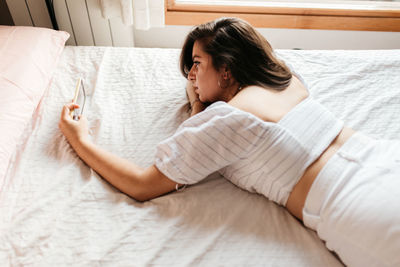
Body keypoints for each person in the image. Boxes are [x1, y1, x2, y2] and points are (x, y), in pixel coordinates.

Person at [59, 17, 400, 267]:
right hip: (380, 156)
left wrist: (82, 140)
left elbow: (142, 184)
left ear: (226, 69)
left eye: (195, 65)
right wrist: (200, 104)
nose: (190, 77)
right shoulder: (286, 78)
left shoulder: (226, 120)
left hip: (349, 201)